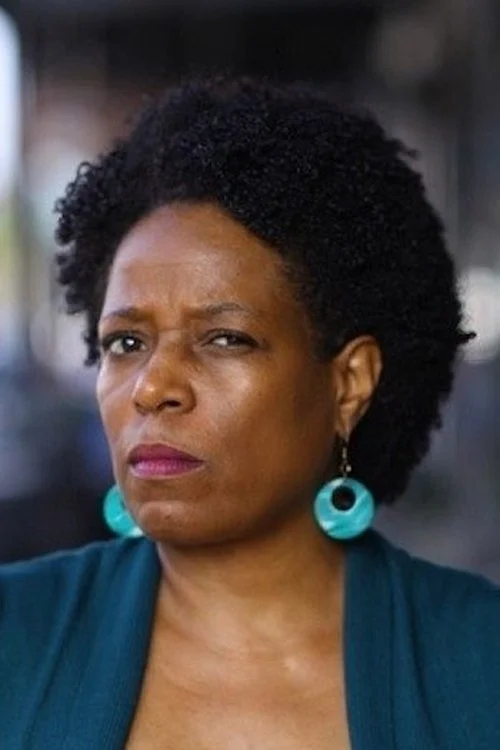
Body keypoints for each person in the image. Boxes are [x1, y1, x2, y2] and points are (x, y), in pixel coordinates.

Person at [1, 76, 499, 749]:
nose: (152, 387)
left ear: (349, 383)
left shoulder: (479, 664)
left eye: (224, 339)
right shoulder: (16, 638)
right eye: (126, 343)